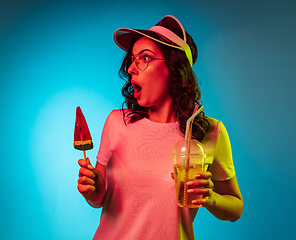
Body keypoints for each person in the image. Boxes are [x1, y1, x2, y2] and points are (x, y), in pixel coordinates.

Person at [77, 15, 243, 240]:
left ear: (176, 69)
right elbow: (100, 200)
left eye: (144, 58)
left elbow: (235, 208)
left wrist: (209, 198)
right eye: (132, 60)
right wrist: (94, 191)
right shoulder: (116, 122)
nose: (131, 69)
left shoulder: (209, 132)